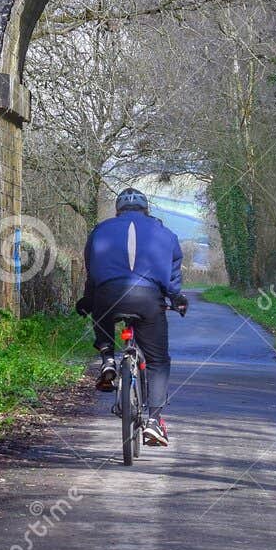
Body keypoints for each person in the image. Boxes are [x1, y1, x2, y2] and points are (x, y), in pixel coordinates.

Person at [75, 187, 189, 446]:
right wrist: (176, 299)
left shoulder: (100, 231)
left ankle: (107, 359)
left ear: (118, 210)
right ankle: (154, 421)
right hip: (148, 298)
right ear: (146, 209)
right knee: (158, 360)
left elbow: (93, 274)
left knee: (100, 308)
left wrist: (87, 300)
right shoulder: (166, 234)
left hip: (108, 295)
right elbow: (172, 279)